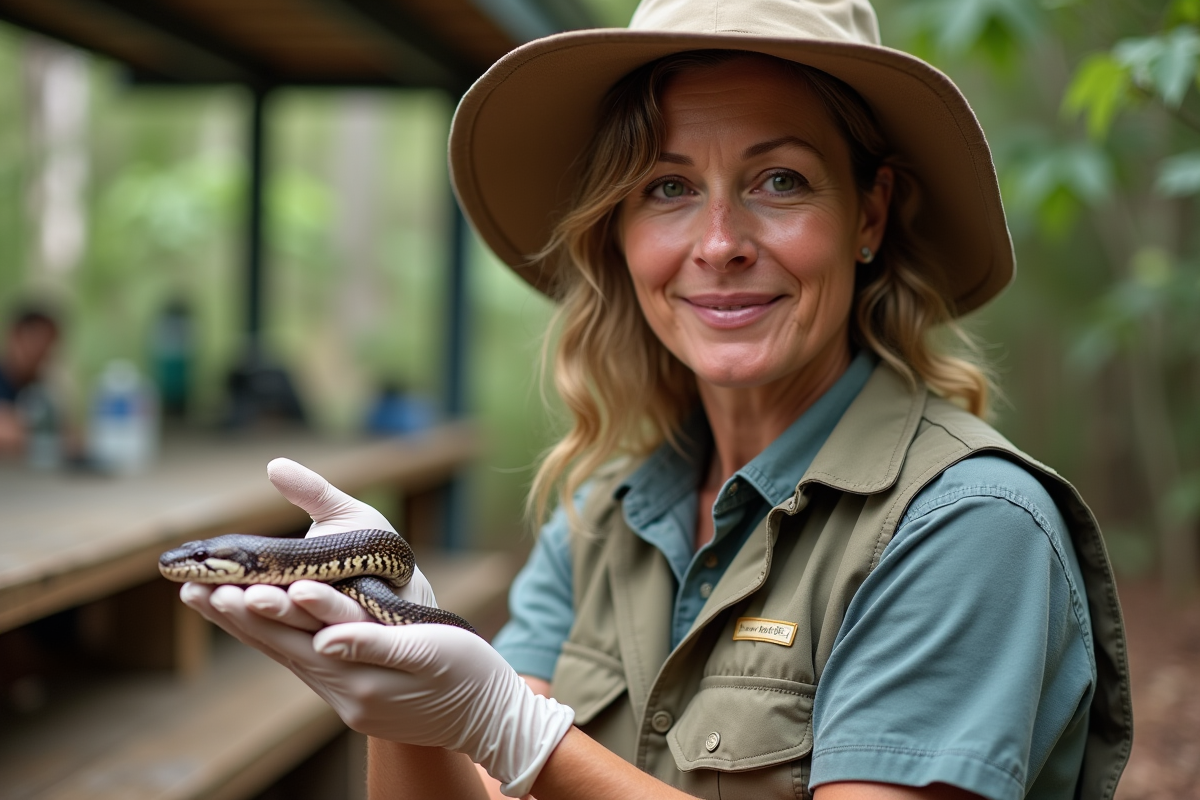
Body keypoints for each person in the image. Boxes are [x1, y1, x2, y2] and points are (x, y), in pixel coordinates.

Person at [181, 1, 1134, 798]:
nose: (718, 242)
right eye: (669, 186)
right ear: (622, 234)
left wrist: (513, 729)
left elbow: (513, 741)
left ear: (869, 215)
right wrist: (400, 691)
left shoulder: (970, 526)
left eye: (780, 180)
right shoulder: (599, 523)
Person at [0, 306, 61, 456]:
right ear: (15, 336)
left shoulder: (37, 390)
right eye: (37, 342)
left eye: (49, 346)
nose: (43, 354)